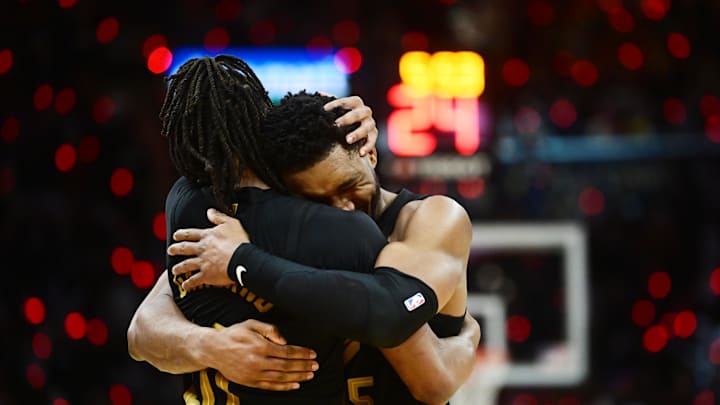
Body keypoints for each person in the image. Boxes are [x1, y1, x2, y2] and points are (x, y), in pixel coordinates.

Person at [127, 55, 478, 404]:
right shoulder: (293, 230)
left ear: (369, 154)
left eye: (349, 185)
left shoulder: (431, 218)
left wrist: (242, 262)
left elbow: (432, 378)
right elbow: (144, 327)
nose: (343, 208)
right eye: (319, 199)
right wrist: (210, 346)